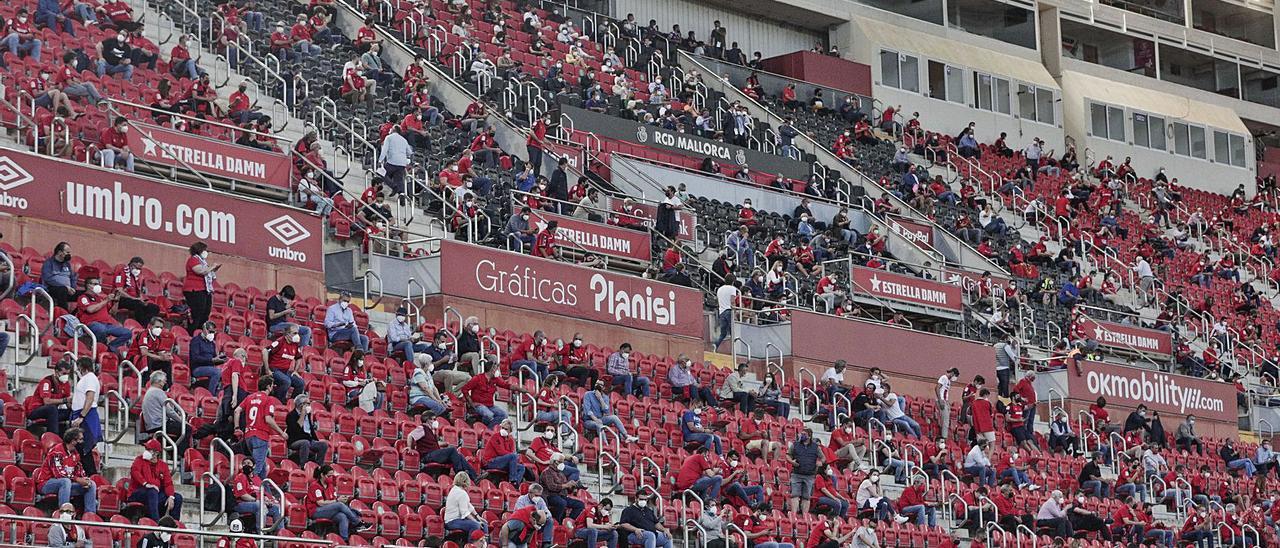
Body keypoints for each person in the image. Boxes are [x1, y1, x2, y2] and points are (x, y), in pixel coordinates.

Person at [35, 428, 98, 513]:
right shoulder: (56, 452)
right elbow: (59, 474)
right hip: (46, 484)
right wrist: (78, 480)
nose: (82, 442)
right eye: (80, 439)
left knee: (91, 484)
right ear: (73, 441)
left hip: (66, 485)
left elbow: (79, 471)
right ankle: (64, 512)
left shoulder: (75, 453)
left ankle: (90, 516)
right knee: (65, 481)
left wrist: (85, 480)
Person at [234, 377, 285, 478]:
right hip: (261, 436)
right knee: (256, 469)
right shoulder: (268, 399)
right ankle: (245, 487)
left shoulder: (249, 397)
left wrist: (237, 427)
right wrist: (281, 432)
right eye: (271, 385)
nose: (272, 387)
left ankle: (266, 492)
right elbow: (268, 419)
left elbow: (237, 411)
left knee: (262, 468)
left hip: (248, 435)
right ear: (268, 387)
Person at [306, 465, 368, 540]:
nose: (331, 478)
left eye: (332, 476)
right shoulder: (314, 486)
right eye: (329, 476)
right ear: (322, 475)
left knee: (342, 516)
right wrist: (337, 501)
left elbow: (333, 499)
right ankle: (357, 522)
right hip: (316, 512)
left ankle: (344, 540)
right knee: (339, 505)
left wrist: (341, 499)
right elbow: (320, 503)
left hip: (329, 512)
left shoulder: (330, 485)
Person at [127, 438, 182, 521]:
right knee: (152, 490)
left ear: (156, 453)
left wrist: (171, 496)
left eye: (149, 449)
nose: (146, 451)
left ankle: (173, 526)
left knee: (177, 497)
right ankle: (156, 523)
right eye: (146, 449)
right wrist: (146, 484)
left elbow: (168, 483)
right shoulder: (139, 460)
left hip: (155, 494)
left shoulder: (163, 465)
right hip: (137, 493)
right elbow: (135, 472)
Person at [75, 275, 132, 354]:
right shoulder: (83, 297)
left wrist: (116, 301)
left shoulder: (101, 298)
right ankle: (101, 347)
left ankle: (110, 347)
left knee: (127, 333)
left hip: (107, 325)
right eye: (94, 284)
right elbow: (90, 309)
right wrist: (106, 300)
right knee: (101, 329)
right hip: (92, 324)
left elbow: (113, 312)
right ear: (88, 285)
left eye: (98, 284)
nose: (97, 286)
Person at [461, 362, 528, 428]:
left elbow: (507, 385)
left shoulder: (495, 379)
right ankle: (478, 424)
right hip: (478, 404)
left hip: (490, 405)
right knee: (489, 415)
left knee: (503, 415)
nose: (497, 371)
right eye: (496, 369)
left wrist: (519, 389)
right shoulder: (477, 378)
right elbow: (464, 389)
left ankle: (488, 431)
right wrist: (471, 402)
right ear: (491, 369)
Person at [140, 371, 189, 456]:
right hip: (159, 424)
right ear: (158, 381)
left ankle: (172, 452)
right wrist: (182, 421)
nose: (165, 382)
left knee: (178, 427)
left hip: (152, 425)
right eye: (164, 381)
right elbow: (169, 411)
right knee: (187, 428)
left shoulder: (149, 391)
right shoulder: (158, 392)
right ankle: (180, 455)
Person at [230, 459, 282, 532]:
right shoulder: (240, 477)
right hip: (240, 504)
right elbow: (243, 496)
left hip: (258, 503)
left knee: (276, 508)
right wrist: (259, 501)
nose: (246, 465)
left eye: (248, 463)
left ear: (254, 466)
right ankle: (261, 533)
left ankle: (280, 534)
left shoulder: (257, 479)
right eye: (244, 463)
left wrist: (267, 500)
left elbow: (263, 494)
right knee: (259, 506)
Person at [26, 358, 73, 436]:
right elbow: (46, 401)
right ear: (56, 372)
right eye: (64, 373)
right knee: (51, 408)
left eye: (68, 374)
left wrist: (73, 406)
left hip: (52, 413)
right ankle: (52, 436)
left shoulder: (66, 384)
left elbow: (68, 402)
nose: (66, 376)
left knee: (72, 413)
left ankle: (68, 439)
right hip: (36, 411)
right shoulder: (47, 382)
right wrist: (65, 400)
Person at [69, 358, 100, 475]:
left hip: (85, 416)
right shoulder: (86, 379)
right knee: (80, 449)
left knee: (83, 448)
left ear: (82, 366)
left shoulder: (90, 378)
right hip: (80, 413)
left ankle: (92, 475)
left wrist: (81, 416)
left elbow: (90, 398)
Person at [262, 324, 306, 403]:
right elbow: (265, 351)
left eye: (297, 333)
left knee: (300, 383)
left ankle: (292, 404)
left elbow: (299, 358)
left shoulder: (295, 344)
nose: (297, 335)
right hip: (274, 369)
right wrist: (267, 369)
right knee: (286, 381)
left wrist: (295, 371)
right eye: (294, 333)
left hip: (285, 371)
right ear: (287, 334)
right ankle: (278, 401)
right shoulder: (280, 341)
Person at [183, 241, 220, 332]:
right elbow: (200, 271)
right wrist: (212, 267)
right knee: (197, 312)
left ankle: (199, 330)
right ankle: (191, 331)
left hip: (205, 290)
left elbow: (208, 274)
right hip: (194, 290)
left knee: (205, 312)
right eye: (205, 250)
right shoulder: (193, 260)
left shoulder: (203, 262)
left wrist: (213, 269)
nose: (207, 252)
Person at [112, 256, 160, 324]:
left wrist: (141, 299)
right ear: (131, 265)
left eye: (140, 268)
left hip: (134, 300)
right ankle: (143, 325)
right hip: (121, 299)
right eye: (137, 268)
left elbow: (138, 291)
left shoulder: (136, 276)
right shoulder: (121, 272)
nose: (138, 270)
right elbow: (119, 290)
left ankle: (149, 325)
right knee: (138, 304)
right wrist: (133, 298)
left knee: (154, 307)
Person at [480, 419, 528, 486]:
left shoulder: (511, 440)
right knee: (513, 456)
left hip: (503, 462)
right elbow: (501, 452)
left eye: (506, 429)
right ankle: (512, 480)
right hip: (490, 462)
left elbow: (511, 453)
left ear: (510, 431)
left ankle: (515, 485)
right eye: (502, 428)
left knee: (521, 467)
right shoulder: (495, 436)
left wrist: (513, 456)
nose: (503, 430)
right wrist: (513, 455)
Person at [286, 395, 328, 466]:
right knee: (305, 443)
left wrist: (316, 440)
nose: (309, 405)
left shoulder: (308, 415)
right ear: (301, 405)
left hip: (308, 440)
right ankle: (303, 465)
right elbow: (296, 429)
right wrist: (302, 414)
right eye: (307, 404)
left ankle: (318, 466)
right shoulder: (291, 415)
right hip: (295, 440)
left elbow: (311, 430)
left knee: (323, 445)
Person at [788, 428, 822, 514]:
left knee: (806, 497)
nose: (801, 436)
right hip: (796, 474)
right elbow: (788, 455)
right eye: (801, 434)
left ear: (809, 436)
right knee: (795, 495)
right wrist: (791, 461)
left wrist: (820, 462)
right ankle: (794, 515)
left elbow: (823, 457)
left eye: (804, 434)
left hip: (809, 475)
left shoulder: (816, 447)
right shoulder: (795, 445)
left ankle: (805, 516)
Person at [444, 472, 487, 537]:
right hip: (452, 522)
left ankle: (484, 542)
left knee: (484, 524)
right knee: (475, 525)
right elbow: (465, 512)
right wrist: (476, 521)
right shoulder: (461, 493)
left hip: (456, 520)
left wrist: (477, 516)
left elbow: (468, 505)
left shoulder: (455, 489)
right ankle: (472, 545)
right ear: (465, 481)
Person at [41, 242, 77, 309]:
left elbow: (72, 277)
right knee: (63, 290)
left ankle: (75, 315)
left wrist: (73, 288)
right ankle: (64, 313)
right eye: (67, 252)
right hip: (52, 289)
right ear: (60, 252)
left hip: (68, 290)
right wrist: (65, 287)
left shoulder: (67, 264)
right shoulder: (49, 263)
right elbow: (48, 278)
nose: (69, 255)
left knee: (85, 295)